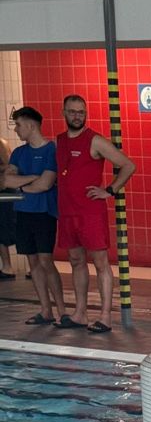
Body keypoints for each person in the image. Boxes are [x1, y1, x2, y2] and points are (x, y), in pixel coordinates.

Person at [56, 94, 136, 334]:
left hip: (90, 213)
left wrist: (109, 190)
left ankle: (105, 316)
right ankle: (80, 313)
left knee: (100, 262)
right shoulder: (59, 141)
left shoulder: (95, 141)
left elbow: (128, 165)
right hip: (68, 212)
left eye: (81, 112)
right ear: (64, 113)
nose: (77, 116)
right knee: (76, 261)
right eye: (72, 111)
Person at [3, 107, 66, 325]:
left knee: (46, 260)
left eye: (18, 125)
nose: (16, 129)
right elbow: (6, 181)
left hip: (43, 213)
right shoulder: (18, 153)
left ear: (30, 126)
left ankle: (62, 311)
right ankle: (46, 310)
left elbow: (45, 184)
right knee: (32, 261)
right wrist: (33, 178)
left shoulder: (51, 150)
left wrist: (23, 183)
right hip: (23, 212)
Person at [0, 138, 17, 279]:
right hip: (6, 191)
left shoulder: (1, 144)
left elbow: (8, 166)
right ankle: (7, 266)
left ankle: (7, 267)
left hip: (6, 192)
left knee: (5, 229)